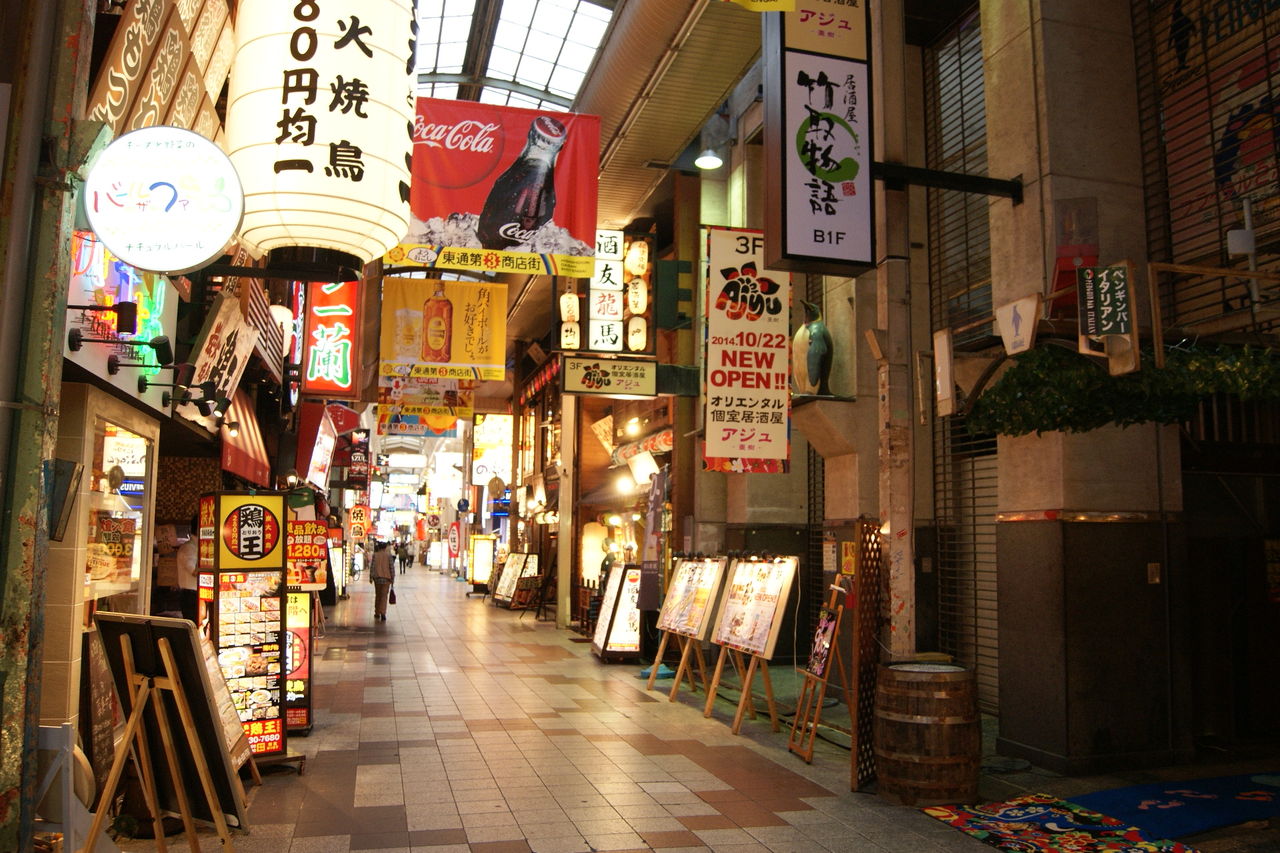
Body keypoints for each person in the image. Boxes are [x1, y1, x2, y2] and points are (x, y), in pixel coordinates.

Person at [370, 540, 394, 621]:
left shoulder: (375, 555)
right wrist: (393, 578)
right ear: (385, 547)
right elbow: (391, 567)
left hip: (377, 578)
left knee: (378, 595)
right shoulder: (388, 555)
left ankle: (377, 612)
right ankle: (383, 613)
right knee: (384, 596)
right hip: (386, 579)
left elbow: (372, 567)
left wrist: (371, 576)